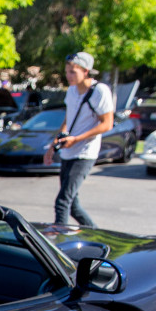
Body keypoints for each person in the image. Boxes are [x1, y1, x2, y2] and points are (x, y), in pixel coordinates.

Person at [43, 51, 114, 228]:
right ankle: (98, 235)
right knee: (73, 205)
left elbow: (107, 124)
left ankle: (56, 246)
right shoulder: (72, 92)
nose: (69, 76)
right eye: (67, 71)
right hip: (68, 151)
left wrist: (77, 139)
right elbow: (68, 118)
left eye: (73, 72)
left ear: (86, 71)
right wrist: (53, 146)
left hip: (85, 152)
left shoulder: (99, 91)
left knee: (62, 201)